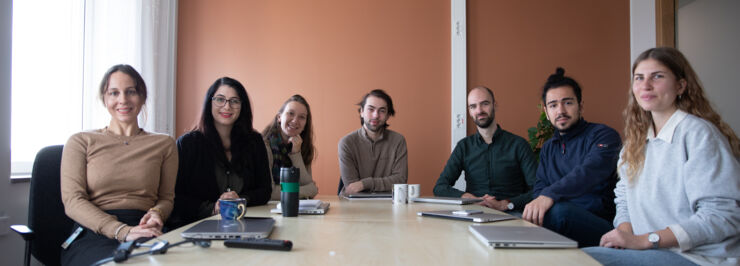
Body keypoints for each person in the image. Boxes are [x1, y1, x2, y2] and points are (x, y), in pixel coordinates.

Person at [583, 48, 740, 265]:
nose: (645, 85)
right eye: (639, 78)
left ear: (681, 86)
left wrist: (646, 241)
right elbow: (624, 200)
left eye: (657, 76)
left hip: (699, 258)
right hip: (649, 252)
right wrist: (625, 233)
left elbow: (721, 216)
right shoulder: (635, 142)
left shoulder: (698, 134)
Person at [60, 64, 178, 266]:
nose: (123, 100)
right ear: (104, 99)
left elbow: (166, 198)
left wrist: (157, 213)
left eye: (131, 91)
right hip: (94, 230)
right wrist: (122, 231)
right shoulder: (81, 141)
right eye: (114, 93)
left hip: (144, 228)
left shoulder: (164, 144)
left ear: (142, 97)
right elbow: (73, 201)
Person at [522, 67, 621, 247]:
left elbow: (589, 172)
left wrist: (550, 195)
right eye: (553, 105)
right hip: (558, 219)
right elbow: (540, 188)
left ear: (580, 105)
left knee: (559, 213)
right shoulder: (548, 148)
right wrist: (542, 199)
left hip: (599, 225)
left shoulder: (604, 135)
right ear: (546, 110)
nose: (560, 111)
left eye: (567, 103)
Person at [168, 77, 272, 229]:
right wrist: (213, 208)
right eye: (220, 99)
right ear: (209, 102)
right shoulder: (188, 144)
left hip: (244, 225)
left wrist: (240, 200)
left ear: (242, 106)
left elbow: (265, 190)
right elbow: (175, 197)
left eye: (234, 101)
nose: (227, 106)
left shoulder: (254, 141)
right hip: (197, 228)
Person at [433, 86, 537, 212]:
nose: (479, 110)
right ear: (470, 112)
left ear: (495, 105)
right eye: (473, 106)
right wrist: (467, 197)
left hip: (511, 213)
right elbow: (440, 187)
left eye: (485, 104)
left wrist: (506, 204)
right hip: (474, 212)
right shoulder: (464, 147)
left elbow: (537, 188)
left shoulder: (519, 145)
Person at [338, 89, 408, 194]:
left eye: (382, 111)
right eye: (371, 109)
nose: (376, 115)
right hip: (354, 204)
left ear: (388, 115)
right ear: (361, 112)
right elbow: (352, 187)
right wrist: (384, 184)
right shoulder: (346, 143)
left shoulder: (398, 141)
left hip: (388, 204)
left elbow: (400, 181)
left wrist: (365, 183)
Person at [262, 94, 319, 200]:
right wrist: (306, 190)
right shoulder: (264, 145)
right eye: (291, 113)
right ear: (279, 117)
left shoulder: (302, 146)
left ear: (305, 124)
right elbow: (270, 191)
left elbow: (308, 184)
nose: (295, 120)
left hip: (294, 209)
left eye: (302, 117)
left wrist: (296, 154)